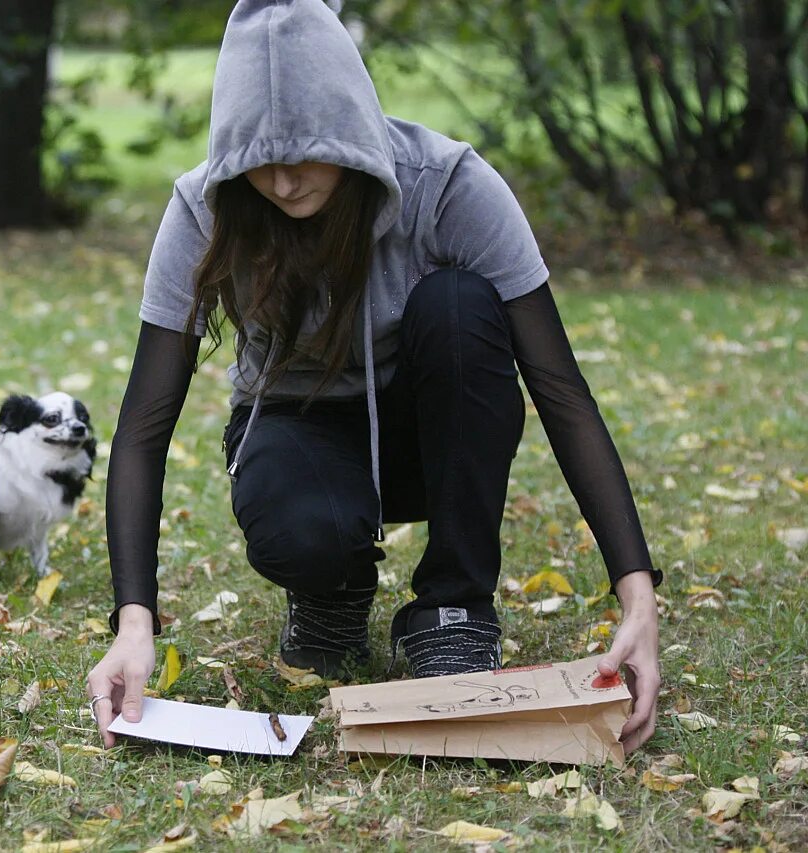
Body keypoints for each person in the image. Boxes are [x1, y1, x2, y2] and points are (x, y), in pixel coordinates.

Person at [85, 0, 661, 753]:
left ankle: (453, 611)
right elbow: (143, 425)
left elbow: (559, 388)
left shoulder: (448, 185)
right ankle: (331, 596)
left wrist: (638, 597)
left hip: (432, 434)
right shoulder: (208, 207)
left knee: (459, 304)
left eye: (306, 154)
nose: (284, 182)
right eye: (259, 160)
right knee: (302, 527)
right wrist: (135, 622)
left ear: (353, 130)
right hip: (299, 429)